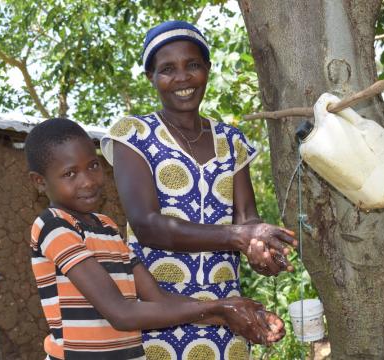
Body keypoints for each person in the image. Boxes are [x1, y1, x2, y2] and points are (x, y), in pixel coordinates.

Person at [100, 21, 297, 359]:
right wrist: (238, 237)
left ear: (207, 69)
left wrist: (261, 251)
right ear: (151, 77)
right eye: (167, 69)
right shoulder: (133, 134)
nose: (182, 78)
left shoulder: (230, 140)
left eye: (192, 65)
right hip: (160, 315)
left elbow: (247, 219)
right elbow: (146, 225)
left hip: (232, 316)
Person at [25, 118, 285, 360]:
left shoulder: (106, 228)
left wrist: (237, 313)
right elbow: (121, 313)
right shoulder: (54, 226)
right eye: (70, 174)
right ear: (39, 182)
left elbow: (157, 297)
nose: (88, 182)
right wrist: (222, 308)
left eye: (93, 166)